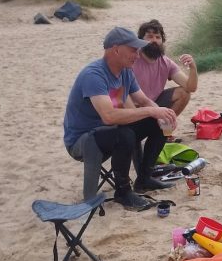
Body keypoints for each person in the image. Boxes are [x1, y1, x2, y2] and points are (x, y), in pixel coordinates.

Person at [63, 26, 177, 209]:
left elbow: (143, 100)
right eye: (133, 50)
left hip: (109, 132)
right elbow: (108, 116)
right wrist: (150, 111)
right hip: (83, 141)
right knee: (124, 133)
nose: (137, 55)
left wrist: (162, 114)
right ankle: (123, 192)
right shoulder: (94, 75)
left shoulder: (125, 72)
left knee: (158, 122)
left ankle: (144, 178)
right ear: (116, 50)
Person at [134, 19, 198, 118]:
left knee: (184, 93)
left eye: (158, 37)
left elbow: (190, 87)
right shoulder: (132, 59)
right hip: (134, 108)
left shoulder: (165, 62)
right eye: (150, 37)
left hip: (156, 104)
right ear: (140, 40)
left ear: (162, 41)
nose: (154, 40)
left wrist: (193, 67)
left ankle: (165, 125)